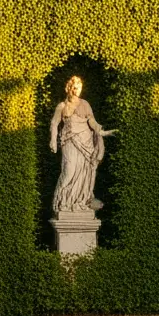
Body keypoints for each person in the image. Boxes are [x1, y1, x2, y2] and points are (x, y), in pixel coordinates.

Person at [49, 76, 115, 221]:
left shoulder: (85, 104)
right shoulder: (62, 106)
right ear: (69, 88)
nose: (77, 90)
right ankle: (62, 201)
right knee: (69, 171)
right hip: (70, 141)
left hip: (86, 142)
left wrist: (102, 132)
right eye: (74, 87)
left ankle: (79, 201)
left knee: (84, 172)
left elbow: (92, 121)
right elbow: (54, 124)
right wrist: (53, 140)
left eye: (79, 87)